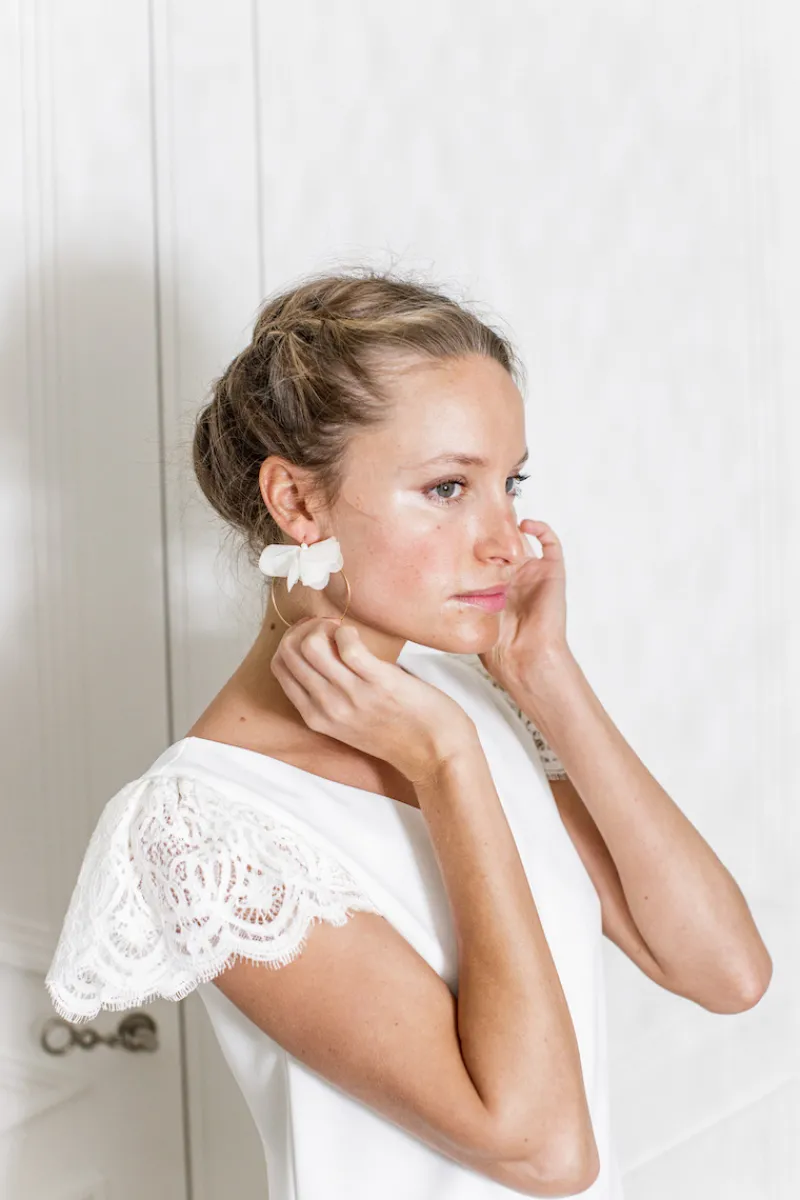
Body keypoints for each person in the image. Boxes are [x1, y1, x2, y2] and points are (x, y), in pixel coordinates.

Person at [45, 268, 770, 1199]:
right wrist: (447, 766)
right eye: (446, 487)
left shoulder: (466, 704)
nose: (507, 539)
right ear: (297, 503)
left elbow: (725, 971)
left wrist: (544, 678)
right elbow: (543, 1152)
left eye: (509, 482)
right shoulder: (203, 820)